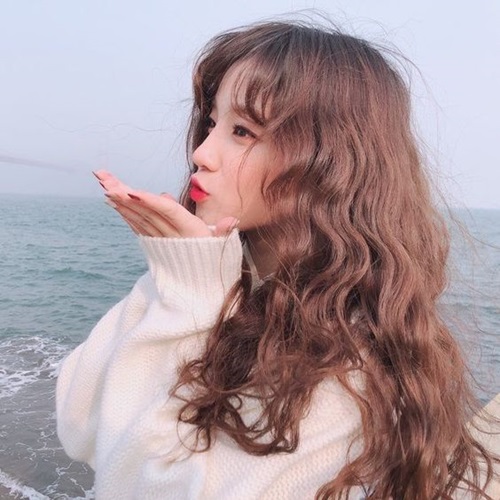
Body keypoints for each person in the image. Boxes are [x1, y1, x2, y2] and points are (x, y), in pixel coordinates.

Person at [56, 19, 498, 499]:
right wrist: (175, 278)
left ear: (330, 162)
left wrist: (187, 293)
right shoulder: (224, 279)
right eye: (212, 123)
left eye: (242, 131)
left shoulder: (348, 358)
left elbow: (135, 485)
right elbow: (78, 425)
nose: (202, 153)